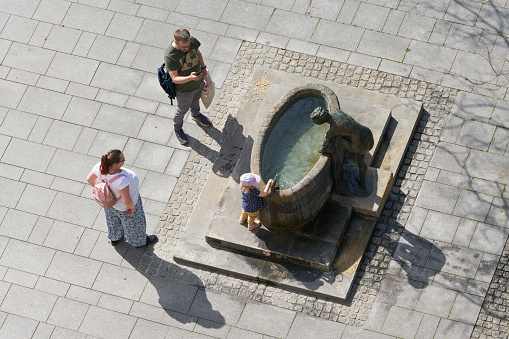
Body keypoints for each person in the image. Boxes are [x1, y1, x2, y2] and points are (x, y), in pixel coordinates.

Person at [86, 150, 157, 247]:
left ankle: (115, 238)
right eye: (123, 159)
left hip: (109, 203)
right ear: (116, 164)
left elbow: (89, 179)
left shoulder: (100, 166)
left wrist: (102, 189)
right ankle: (139, 242)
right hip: (124, 207)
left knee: (113, 221)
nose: (124, 161)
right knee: (134, 226)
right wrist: (132, 207)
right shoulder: (121, 180)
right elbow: (126, 200)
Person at [164, 28, 211, 145]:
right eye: (183, 47)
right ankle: (177, 129)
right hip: (184, 89)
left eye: (188, 45)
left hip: (198, 81)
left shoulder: (192, 42)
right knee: (181, 110)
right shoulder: (170, 56)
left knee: (196, 99)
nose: (187, 48)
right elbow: (174, 78)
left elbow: (198, 53)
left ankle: (196, 114)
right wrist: (190, 78)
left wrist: (204, 70)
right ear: (176, 42)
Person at [310, 106, 374, 190]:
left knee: (338, 138)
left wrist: (321, 151)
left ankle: (362, 186)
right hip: (367, 134)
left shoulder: (332, 131)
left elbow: (324, 147)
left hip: (357, 147)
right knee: (362, 162)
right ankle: (363, 184)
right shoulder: (339, 112)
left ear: (320, 121)